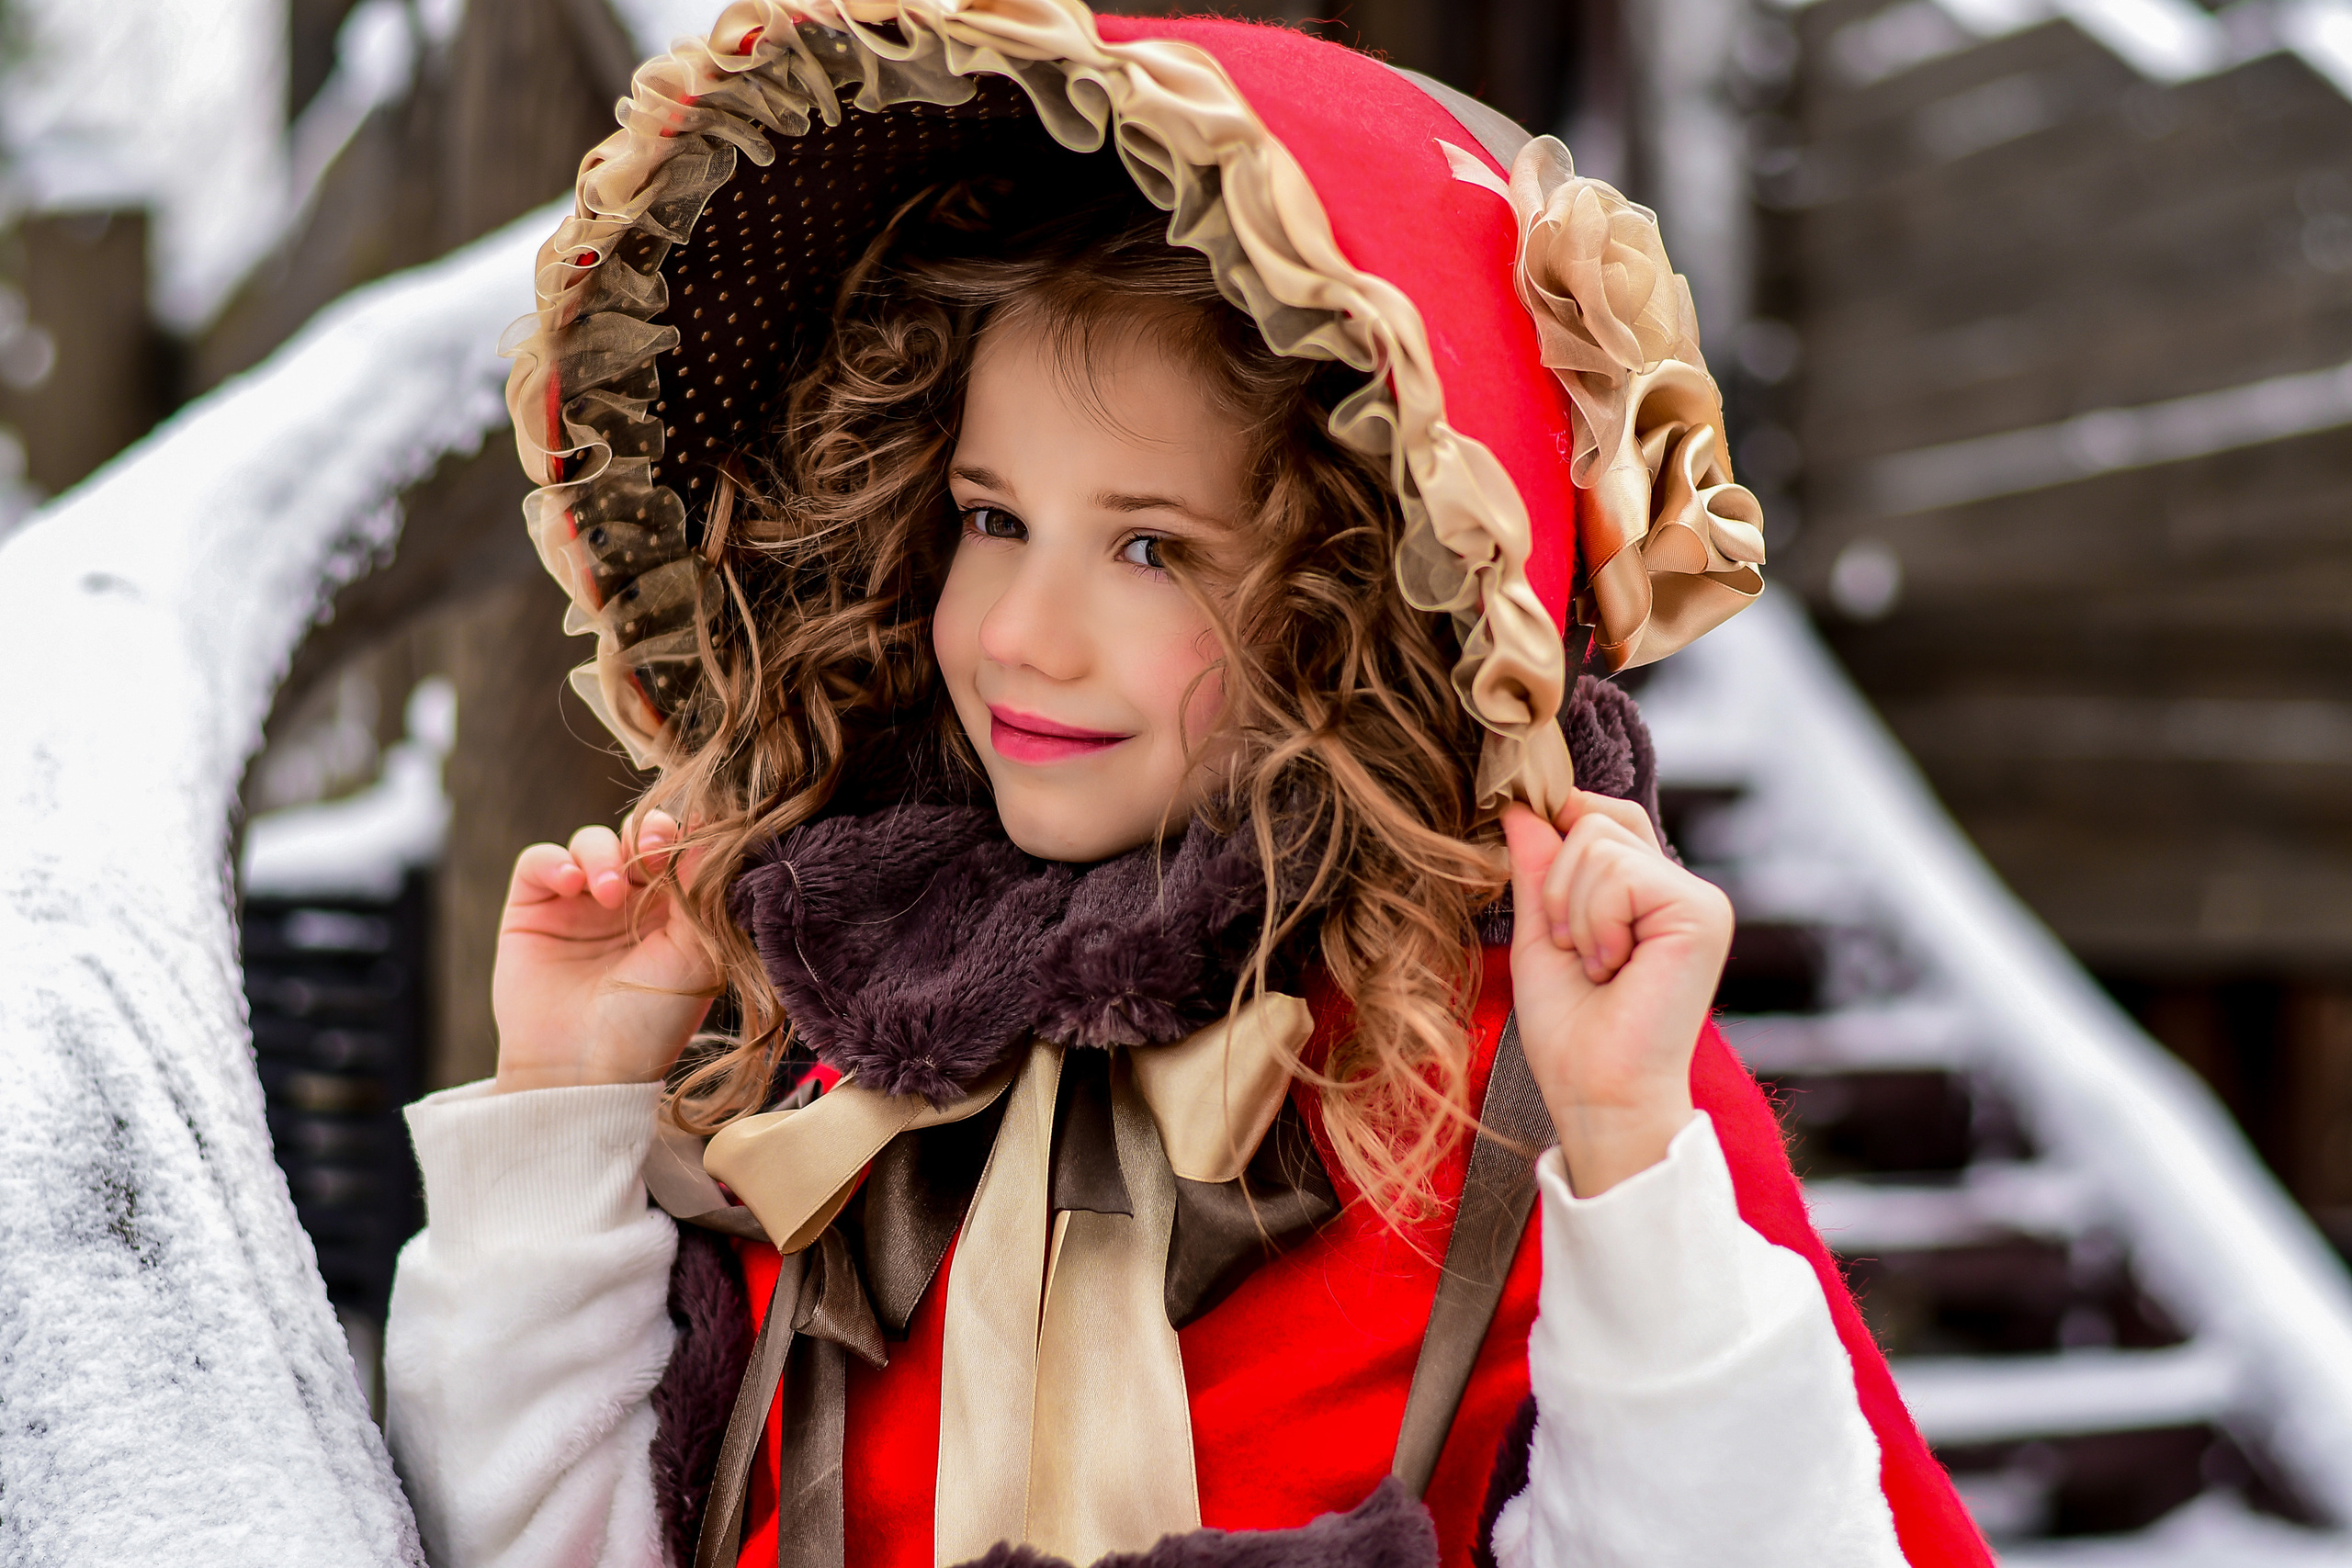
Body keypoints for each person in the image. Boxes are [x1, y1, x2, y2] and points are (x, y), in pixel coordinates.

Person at [385, 6, 1991, 1567]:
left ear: (1369, 603)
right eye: (992, 518)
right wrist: (564, 1102)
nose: (1021, 633)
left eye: (1152, 549)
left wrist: (1635, 1158)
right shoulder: (865, 1057)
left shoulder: (1540, 1097)